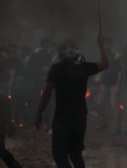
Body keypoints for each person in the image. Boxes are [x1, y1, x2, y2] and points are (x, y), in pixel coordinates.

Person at [34, 36, 109, 168]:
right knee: (76, 154)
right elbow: (105, 64)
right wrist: (101, 46)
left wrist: (39, 114)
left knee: (59, 154)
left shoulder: (56, 68)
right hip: (80, 116)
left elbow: (47, 93)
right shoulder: (83, 67)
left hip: (63, 117)